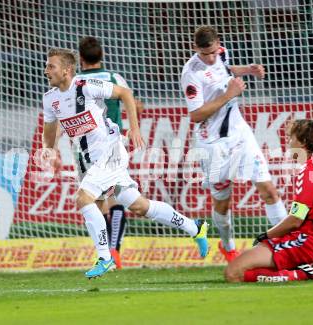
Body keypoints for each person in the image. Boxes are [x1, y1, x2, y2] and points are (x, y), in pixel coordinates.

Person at [42, 48, 208, 279]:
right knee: (140, 206)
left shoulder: (85, 86)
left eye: (51, 66)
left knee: (84, 198)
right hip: (89, 159)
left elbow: (125, 94)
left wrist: (135, 128)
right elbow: (49, 130)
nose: (46, 70)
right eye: (47, 66)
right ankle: (195, 227)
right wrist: (49, 152)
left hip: (111, 152)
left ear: (67, 70)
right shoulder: (50, 99)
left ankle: (105, 257)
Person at [180, 26, 287, 262]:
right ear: (195, 48)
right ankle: (228, 246)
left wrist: (248, 70)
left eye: (213, 52)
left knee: (268, 189)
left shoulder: (222, 54)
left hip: (240, 135)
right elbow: (196, 115)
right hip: (212, 143)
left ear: (219, 44)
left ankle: (288, 246)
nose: (210, 58)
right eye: (205, 53)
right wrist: (229, 95)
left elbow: (226, 70)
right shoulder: (191, 74)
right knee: (223, 202)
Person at [224, 119, 313, 282]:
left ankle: (303, 273)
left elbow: (295, 220)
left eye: (291, 138)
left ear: (303, 142)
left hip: (305, 243)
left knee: (233, 273)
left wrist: (265, 235)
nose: (288, 143)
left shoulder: (309, 171)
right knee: (252, 266)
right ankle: (301, 269)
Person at [75, 36, 144, 269]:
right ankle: (114, 252)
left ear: (80, 59)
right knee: (115, 200)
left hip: (85, 149)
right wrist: (134, 123)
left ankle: (105, 253)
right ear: (101, 55)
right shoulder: (114, 78)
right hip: (113, 145)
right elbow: (132, 100)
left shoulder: (74, 82)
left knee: (96, 202)